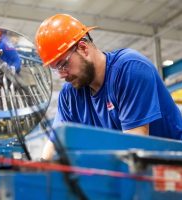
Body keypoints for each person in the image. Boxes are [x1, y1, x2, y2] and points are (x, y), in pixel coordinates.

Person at [34, 14, 182, 161]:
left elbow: (134, 148)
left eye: (63, 64)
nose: (61, 75)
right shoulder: (70, 95)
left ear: (83, 48)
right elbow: (55, 142)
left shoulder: (130, 69)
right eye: (56, 69)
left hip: (171, 168)